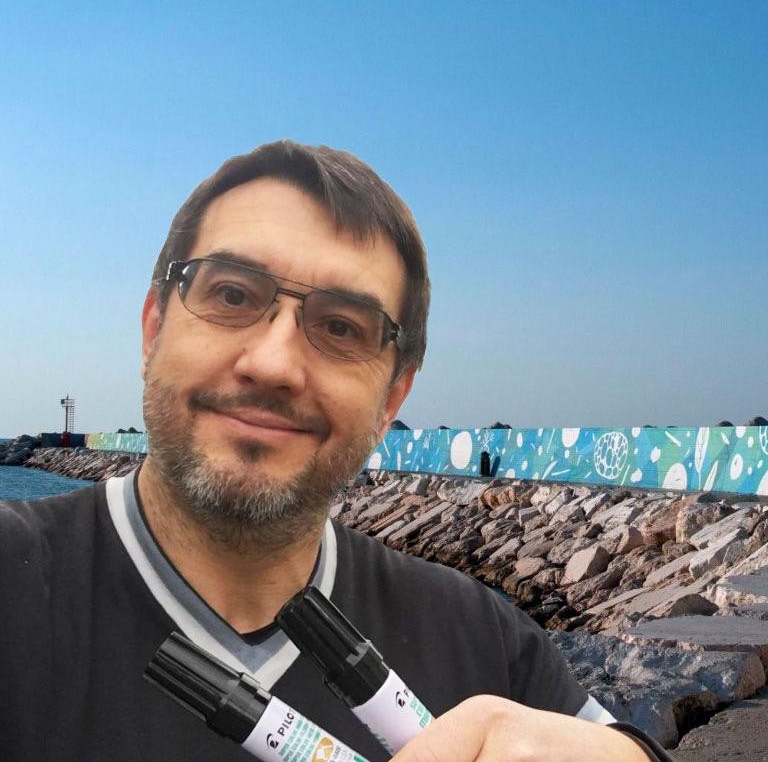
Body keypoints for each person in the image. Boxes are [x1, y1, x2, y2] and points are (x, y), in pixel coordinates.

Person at [0, 141, 672, 761]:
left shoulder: (482, 640)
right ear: (153, 330)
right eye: (231, 294)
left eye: (342, 328)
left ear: (392, 400)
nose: (273, 363)